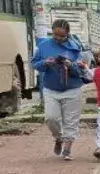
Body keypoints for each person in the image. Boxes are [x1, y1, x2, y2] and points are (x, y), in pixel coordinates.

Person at [32, 19, 88, 159]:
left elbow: (82, 70)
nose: (58, 38)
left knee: (71, 121)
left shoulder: (75, 47)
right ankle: (58, 137)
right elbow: (35, 63)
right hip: (51, 88)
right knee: (51, 118)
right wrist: (46, 62)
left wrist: (71, 65)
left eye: (62, 36)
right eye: (55, 35)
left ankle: (67, 149)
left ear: (68, 34)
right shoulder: (43, 46)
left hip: (72, 88)